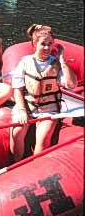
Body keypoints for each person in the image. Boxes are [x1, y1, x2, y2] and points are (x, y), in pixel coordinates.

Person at [10, 24, 77, 162]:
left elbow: (71, 84)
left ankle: (34, 169)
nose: (47, 48)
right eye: (43, 44)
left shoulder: (56, 64)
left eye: (50, 44)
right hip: (28, 107)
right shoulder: (25, 61)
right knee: (16, 132)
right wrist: (22, 110)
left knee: (42, 140)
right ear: (34, 44)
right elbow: (17, 88)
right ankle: (16, 164)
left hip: (49, 109)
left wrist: (62, 60)